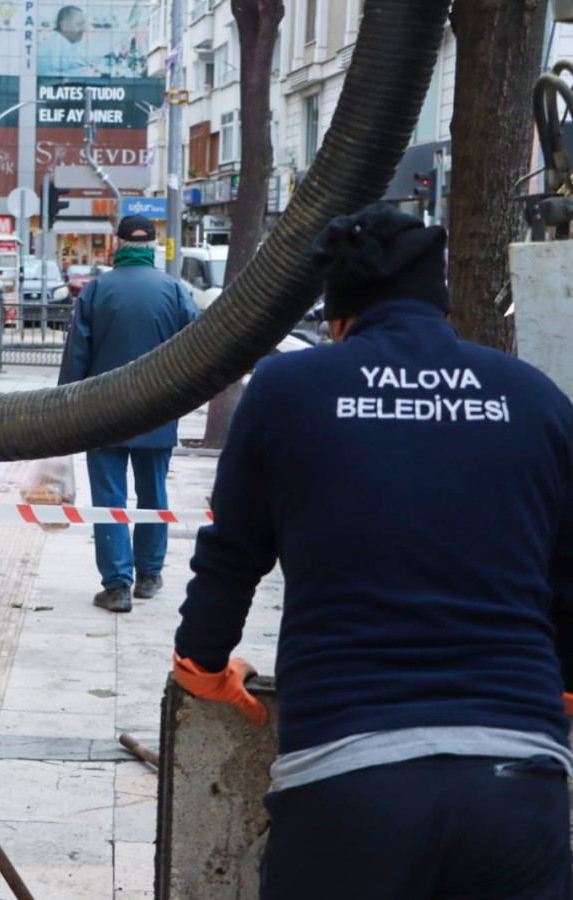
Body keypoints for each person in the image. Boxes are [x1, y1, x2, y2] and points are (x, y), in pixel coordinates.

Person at [172, 203, 573, 900]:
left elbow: (231, 554)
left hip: (347, 778)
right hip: (517, 780)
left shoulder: (288, 390)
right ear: (442, 307)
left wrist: (202, 663)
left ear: (337, 317)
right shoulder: (534, 398)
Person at [59, 215, 197, 613]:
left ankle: (117, 585)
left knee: (110, 498)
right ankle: (150, 575)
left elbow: (77, 356)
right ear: (153, 246)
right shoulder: (175, 290)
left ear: (116, 244)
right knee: (154, 493)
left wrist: (65, 410)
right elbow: (196, 349)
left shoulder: (96, 290)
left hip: (104, 413)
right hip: (159, 410)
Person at [38, 6, 102, 78]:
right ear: (64, 26)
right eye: (79, 24)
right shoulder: (60, 49)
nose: (84, 29)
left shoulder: (55, 43)